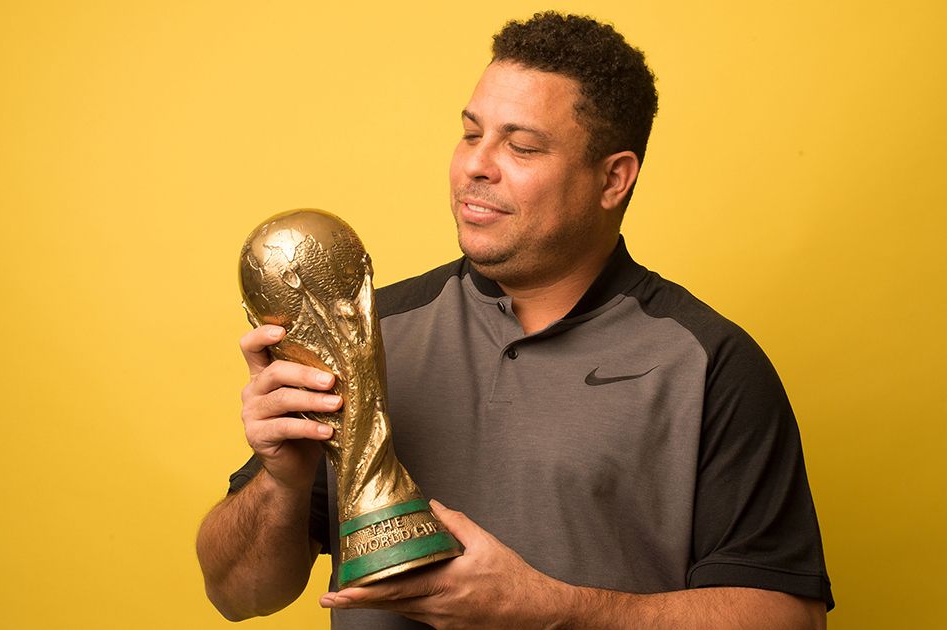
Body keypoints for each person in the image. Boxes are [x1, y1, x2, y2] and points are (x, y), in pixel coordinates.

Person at [197, 11, 833, 629]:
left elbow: (790, 617)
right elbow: (236, 593)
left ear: (614, 179)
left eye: (522, 145)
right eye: (471, 134)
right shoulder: (372, 329)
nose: (477, 164)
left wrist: (551, 611)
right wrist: (282, 480)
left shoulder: (708, 362)